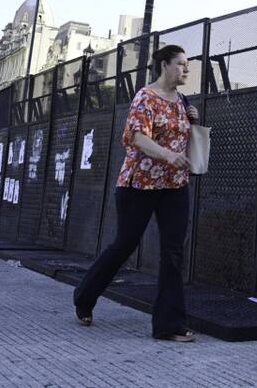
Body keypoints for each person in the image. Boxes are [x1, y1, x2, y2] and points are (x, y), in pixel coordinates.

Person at [73, 44, 198, 342]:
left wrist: (191, 119)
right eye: (181, 64)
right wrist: (167, 155)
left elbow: (177, 135)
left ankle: (169, 325)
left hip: (174, 186)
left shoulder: (181, 101)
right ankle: (84, 296)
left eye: (187, 65)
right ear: (164, 65)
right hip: (138, 184)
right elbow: (137, 137)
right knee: (125, 244)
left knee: (173, 251)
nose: (186, 70)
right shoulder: (145, 97)